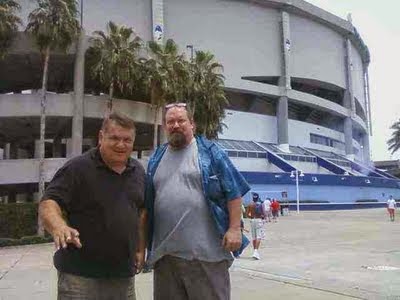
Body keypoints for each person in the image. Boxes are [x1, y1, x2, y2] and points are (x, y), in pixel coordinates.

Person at [145, 103, 250, 300]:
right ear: (165, 126)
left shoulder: (211, 153)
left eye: (181, 120)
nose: (176, 125)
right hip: (166, 257)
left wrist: (235, 228)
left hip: (206, 257)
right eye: (170, 122)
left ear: (192, 124)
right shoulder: (155, 158)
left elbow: (234, 191)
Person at [39, 111, 146, 300]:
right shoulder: (77, 168)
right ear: (101, 137)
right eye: (114, 138)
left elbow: (140, 213)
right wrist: (59, 226)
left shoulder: (137, 171)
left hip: (122, 276)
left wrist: (139, 248)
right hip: (80, 279)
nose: (121, 145)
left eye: (127, 140)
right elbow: (49, 202)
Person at [246, 193, 265, 260]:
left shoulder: (250, 204)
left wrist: (251, 217)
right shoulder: (260, 204)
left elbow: (247, 214)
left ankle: (255, 252)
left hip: (252, 220)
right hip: (258, 220)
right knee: (259, 236)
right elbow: (263, 214)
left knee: (254, 237)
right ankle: (256, 251)